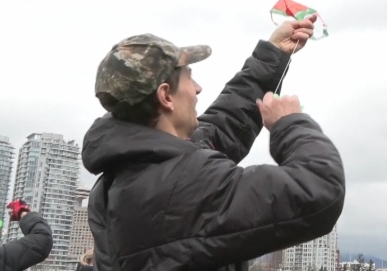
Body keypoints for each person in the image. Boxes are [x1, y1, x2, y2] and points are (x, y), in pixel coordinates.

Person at [82, 16, 346, 271]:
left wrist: (274, 52)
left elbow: (224, 125)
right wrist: (290, 124)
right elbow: (319, 189)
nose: (198, 88)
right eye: (189, 76)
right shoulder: (182, 187)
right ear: (166, 96)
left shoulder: (129, 175)